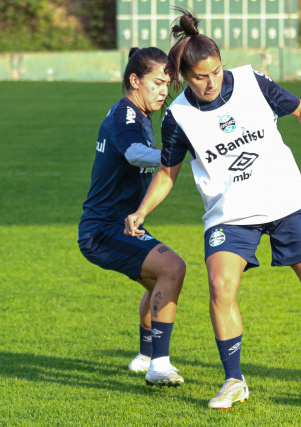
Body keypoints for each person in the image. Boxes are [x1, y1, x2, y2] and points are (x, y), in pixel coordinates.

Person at [125, 9, 301, 409]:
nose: (211, 82)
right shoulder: (178, 117)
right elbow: (167, 173)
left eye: (216, 71)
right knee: (221, 286)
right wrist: (141, 211)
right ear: (184, 75)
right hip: (229, 215)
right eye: (200, 76)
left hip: (288, 203)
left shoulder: (253, 82)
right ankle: (234, 380)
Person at [78, 47, 186, 387]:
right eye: (156, 82)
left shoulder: (137, 114)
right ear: (134, 80)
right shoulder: (126, 114)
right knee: (173, 268)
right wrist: (177, 154)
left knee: (160, 282)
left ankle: (144, 357)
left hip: (116, 225)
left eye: (167, 83)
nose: (163, 91)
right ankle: (159, 365)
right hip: (104, 231)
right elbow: (135, 153)